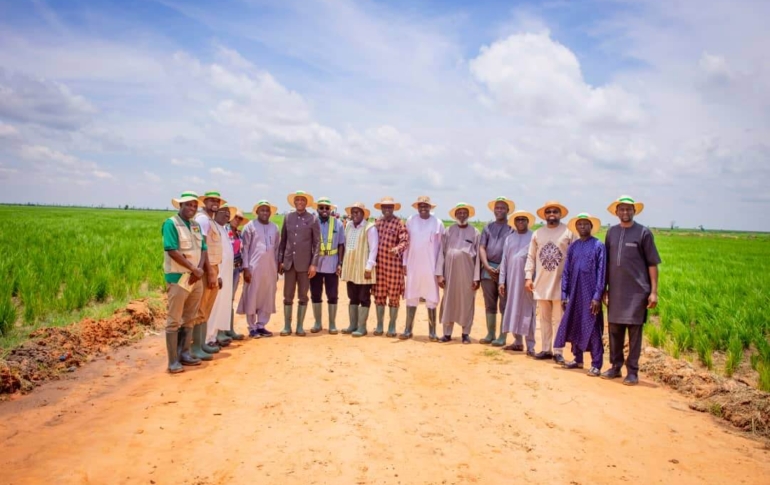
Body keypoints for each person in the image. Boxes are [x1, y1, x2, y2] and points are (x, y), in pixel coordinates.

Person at [602, 196, 661, 386]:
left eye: (629, 209)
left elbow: (652, 264)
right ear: (616, 212)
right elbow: (606, 264)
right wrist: (604, 289)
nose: (625, 213)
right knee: (614, 331)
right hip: (616, 291)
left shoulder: (643, 233)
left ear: (634, 212)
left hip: (637, 292)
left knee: (635, 333)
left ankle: (633, 371)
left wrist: (653, 291)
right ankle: (615, 366)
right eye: (622, 209)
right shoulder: (611, 233)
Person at [554, 213, 606, 376]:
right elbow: (567, 271)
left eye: (585, 224)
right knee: (575, 324)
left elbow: (601, 272)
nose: (582, 227)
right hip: (574, 293)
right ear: (576, 227)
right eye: (580, 224)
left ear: (591, 226)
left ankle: (596, 363)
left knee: (592, 328)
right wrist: (564, 294)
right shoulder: (574, 246)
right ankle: (577, 359)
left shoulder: (598, 246)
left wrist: (597, 296)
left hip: (590, 294)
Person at [525, 200, 575, 365]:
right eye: (549, 212)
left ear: (560, 214)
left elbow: (574, 257)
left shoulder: (568, 232)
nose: (552, 214)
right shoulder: (537, 234)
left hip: (561, 284)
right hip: (541, 283)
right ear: (545, 215)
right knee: (544, 318)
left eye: (555, 211)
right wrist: (528, 277)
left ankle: (558, 351)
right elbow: (531, 257)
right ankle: (546, 349)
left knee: (558, 319)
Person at [162, 191, 207, 373]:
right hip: (179, 278)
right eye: (188, 205)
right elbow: (172, 250)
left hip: (195, 278)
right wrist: (193, 268)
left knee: (189, 317)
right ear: (180, 206)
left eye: (195, 205)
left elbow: (203, 249)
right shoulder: (171, 224)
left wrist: (200, 269)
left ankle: (185, 354)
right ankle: (173, 361)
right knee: (174, 320)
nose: (192, 208)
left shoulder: (196, 225)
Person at [400, 196, 444, 340]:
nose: (423, 208)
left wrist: (439, 269)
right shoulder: (411, 220)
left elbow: (441, 248)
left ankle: (432, 332)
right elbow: (406, 243)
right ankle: (408, 329)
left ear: (430, 207)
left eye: (426, 206)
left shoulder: (437, 223)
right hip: (413, 264)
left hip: (431, 266)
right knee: (412, 295)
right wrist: (404, 263)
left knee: (431, 296)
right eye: (421, 206)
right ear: (417, 207)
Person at [436, 203, 481, 344]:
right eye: (459, 212)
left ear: (468, 215)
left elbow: (479, 257)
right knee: (449, 301)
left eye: (464, 212)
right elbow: (441, 253)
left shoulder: (475, 232)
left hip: (467, 274)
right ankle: (447, 333)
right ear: (455, 215)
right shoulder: (448, 231)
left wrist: (476, 278)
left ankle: (465, 333)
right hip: (449, 273)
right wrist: (440, 274)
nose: (462, 215)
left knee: (466, 302)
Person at [278, 190, 320, 336]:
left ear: (306, 203)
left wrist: (314, 264)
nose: (300, 202)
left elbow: (317, 244)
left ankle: (300, 326)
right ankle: (287, 326)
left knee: (303, 295)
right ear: (294, 202)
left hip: (305, 264)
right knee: (287, 295)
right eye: (298, 200)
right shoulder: (288, 217)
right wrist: (280, 260)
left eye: (303, 200)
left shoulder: (313, 219)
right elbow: (283, 241)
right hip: (289, 263)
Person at [237, 200, 280, 338]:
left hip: (270, 268)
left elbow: (277, 248)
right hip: (253, 268)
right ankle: (252, 327)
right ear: (256, 212)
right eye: (262, 210)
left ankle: (261, 325)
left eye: (267, 210)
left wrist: (278, 266)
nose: (265, 213)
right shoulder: (250, 226)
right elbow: (244, 249)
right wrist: (246, 268)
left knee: (267, 295)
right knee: (252, 295)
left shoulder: (275, 228)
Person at [193, 191, 227, 360]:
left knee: (206, 308)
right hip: (207, 270)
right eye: (211, 200)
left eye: (217, 200)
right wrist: (211, 272)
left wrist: (216, 271)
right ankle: (195, 347)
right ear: (204, 202)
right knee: (200, 308)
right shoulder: (203, 220)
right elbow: (203, 247)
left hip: (213, 268)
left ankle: (202, 344)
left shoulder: (210, 220)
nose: (215, 203)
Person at [498, 210, 537, 355]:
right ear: (514, 222)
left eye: (523, 219)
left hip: (527, 281)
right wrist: (502, 281)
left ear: (528, 222)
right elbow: (504, 260)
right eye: (518, 220)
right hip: (512, 280)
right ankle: (518, 342)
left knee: (528, 312)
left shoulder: (533, 237)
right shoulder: (509, 238)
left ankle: (531, 346)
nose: (520, 222)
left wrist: (532, 278)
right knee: (514, 309)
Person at [372, 196, 410, 337]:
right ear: (381, 208)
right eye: (385, 207)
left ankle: (392, 325)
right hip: (379, 266)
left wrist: (397, 249)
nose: (387, 209)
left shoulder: (399, 223)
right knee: (379, 296)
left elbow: (405, 241)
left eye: (389, 207)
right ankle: (379, 325)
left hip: (393, 266)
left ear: (393, 208)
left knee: (394, 297)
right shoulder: (377, 223)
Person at [340, 202, 378, 337]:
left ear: (363, 214)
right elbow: (345, 245)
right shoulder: (349, 226)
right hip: (351, 267)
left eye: (358, 212)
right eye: (353, 212)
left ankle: (362, 327)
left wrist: (369, 266)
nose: (355, 215)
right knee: (352, 296)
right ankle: (352, 325)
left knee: (364, 297)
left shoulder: (370, 228)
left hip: (363, 268)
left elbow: (374, 248)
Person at [480, 197, 514, 345]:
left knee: (504, 303)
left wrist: (501, 266)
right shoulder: (488, 227)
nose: (499, 210)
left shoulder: (512, 228)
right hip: (488, 270)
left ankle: (502, 336)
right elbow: (481, 247)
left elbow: (511, 250)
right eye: (497, 208)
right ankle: (490, 333)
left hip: (505, 270)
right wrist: (487, 266)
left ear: (508, 210)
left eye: (502, 208)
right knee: (489, 303)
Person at [310, 197, 345, 335]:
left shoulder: (338, 224)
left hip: (332, 263)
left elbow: (341, 244)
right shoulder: (312, 223)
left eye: (327, 208)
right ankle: (317, 322)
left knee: (332, 294)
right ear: (317, 209)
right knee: (315, 293)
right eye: (321, 208)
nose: (324, 210)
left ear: (331, 209)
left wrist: (340, 263)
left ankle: (332, 324)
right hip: (316, 264)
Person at [205, 204, 237, 348]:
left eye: (229, 213)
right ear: (216, 213)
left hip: (226, 274)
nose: (227, 215)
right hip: (218, 273)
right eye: (224, 212)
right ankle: (207, 338)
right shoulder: (212, 226)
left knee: (221, 304)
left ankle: (214, 335)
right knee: (214, 305)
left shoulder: (223, 229)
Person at [226, 209, 248, 341]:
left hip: (235, 269)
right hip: (225, 269)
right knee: (222, 299)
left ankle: (229, 329)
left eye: (240, 218)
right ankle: (219, 331)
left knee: (230, 299)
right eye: (236, 217)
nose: (238, 220)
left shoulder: (238, 234)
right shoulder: (224, 230)